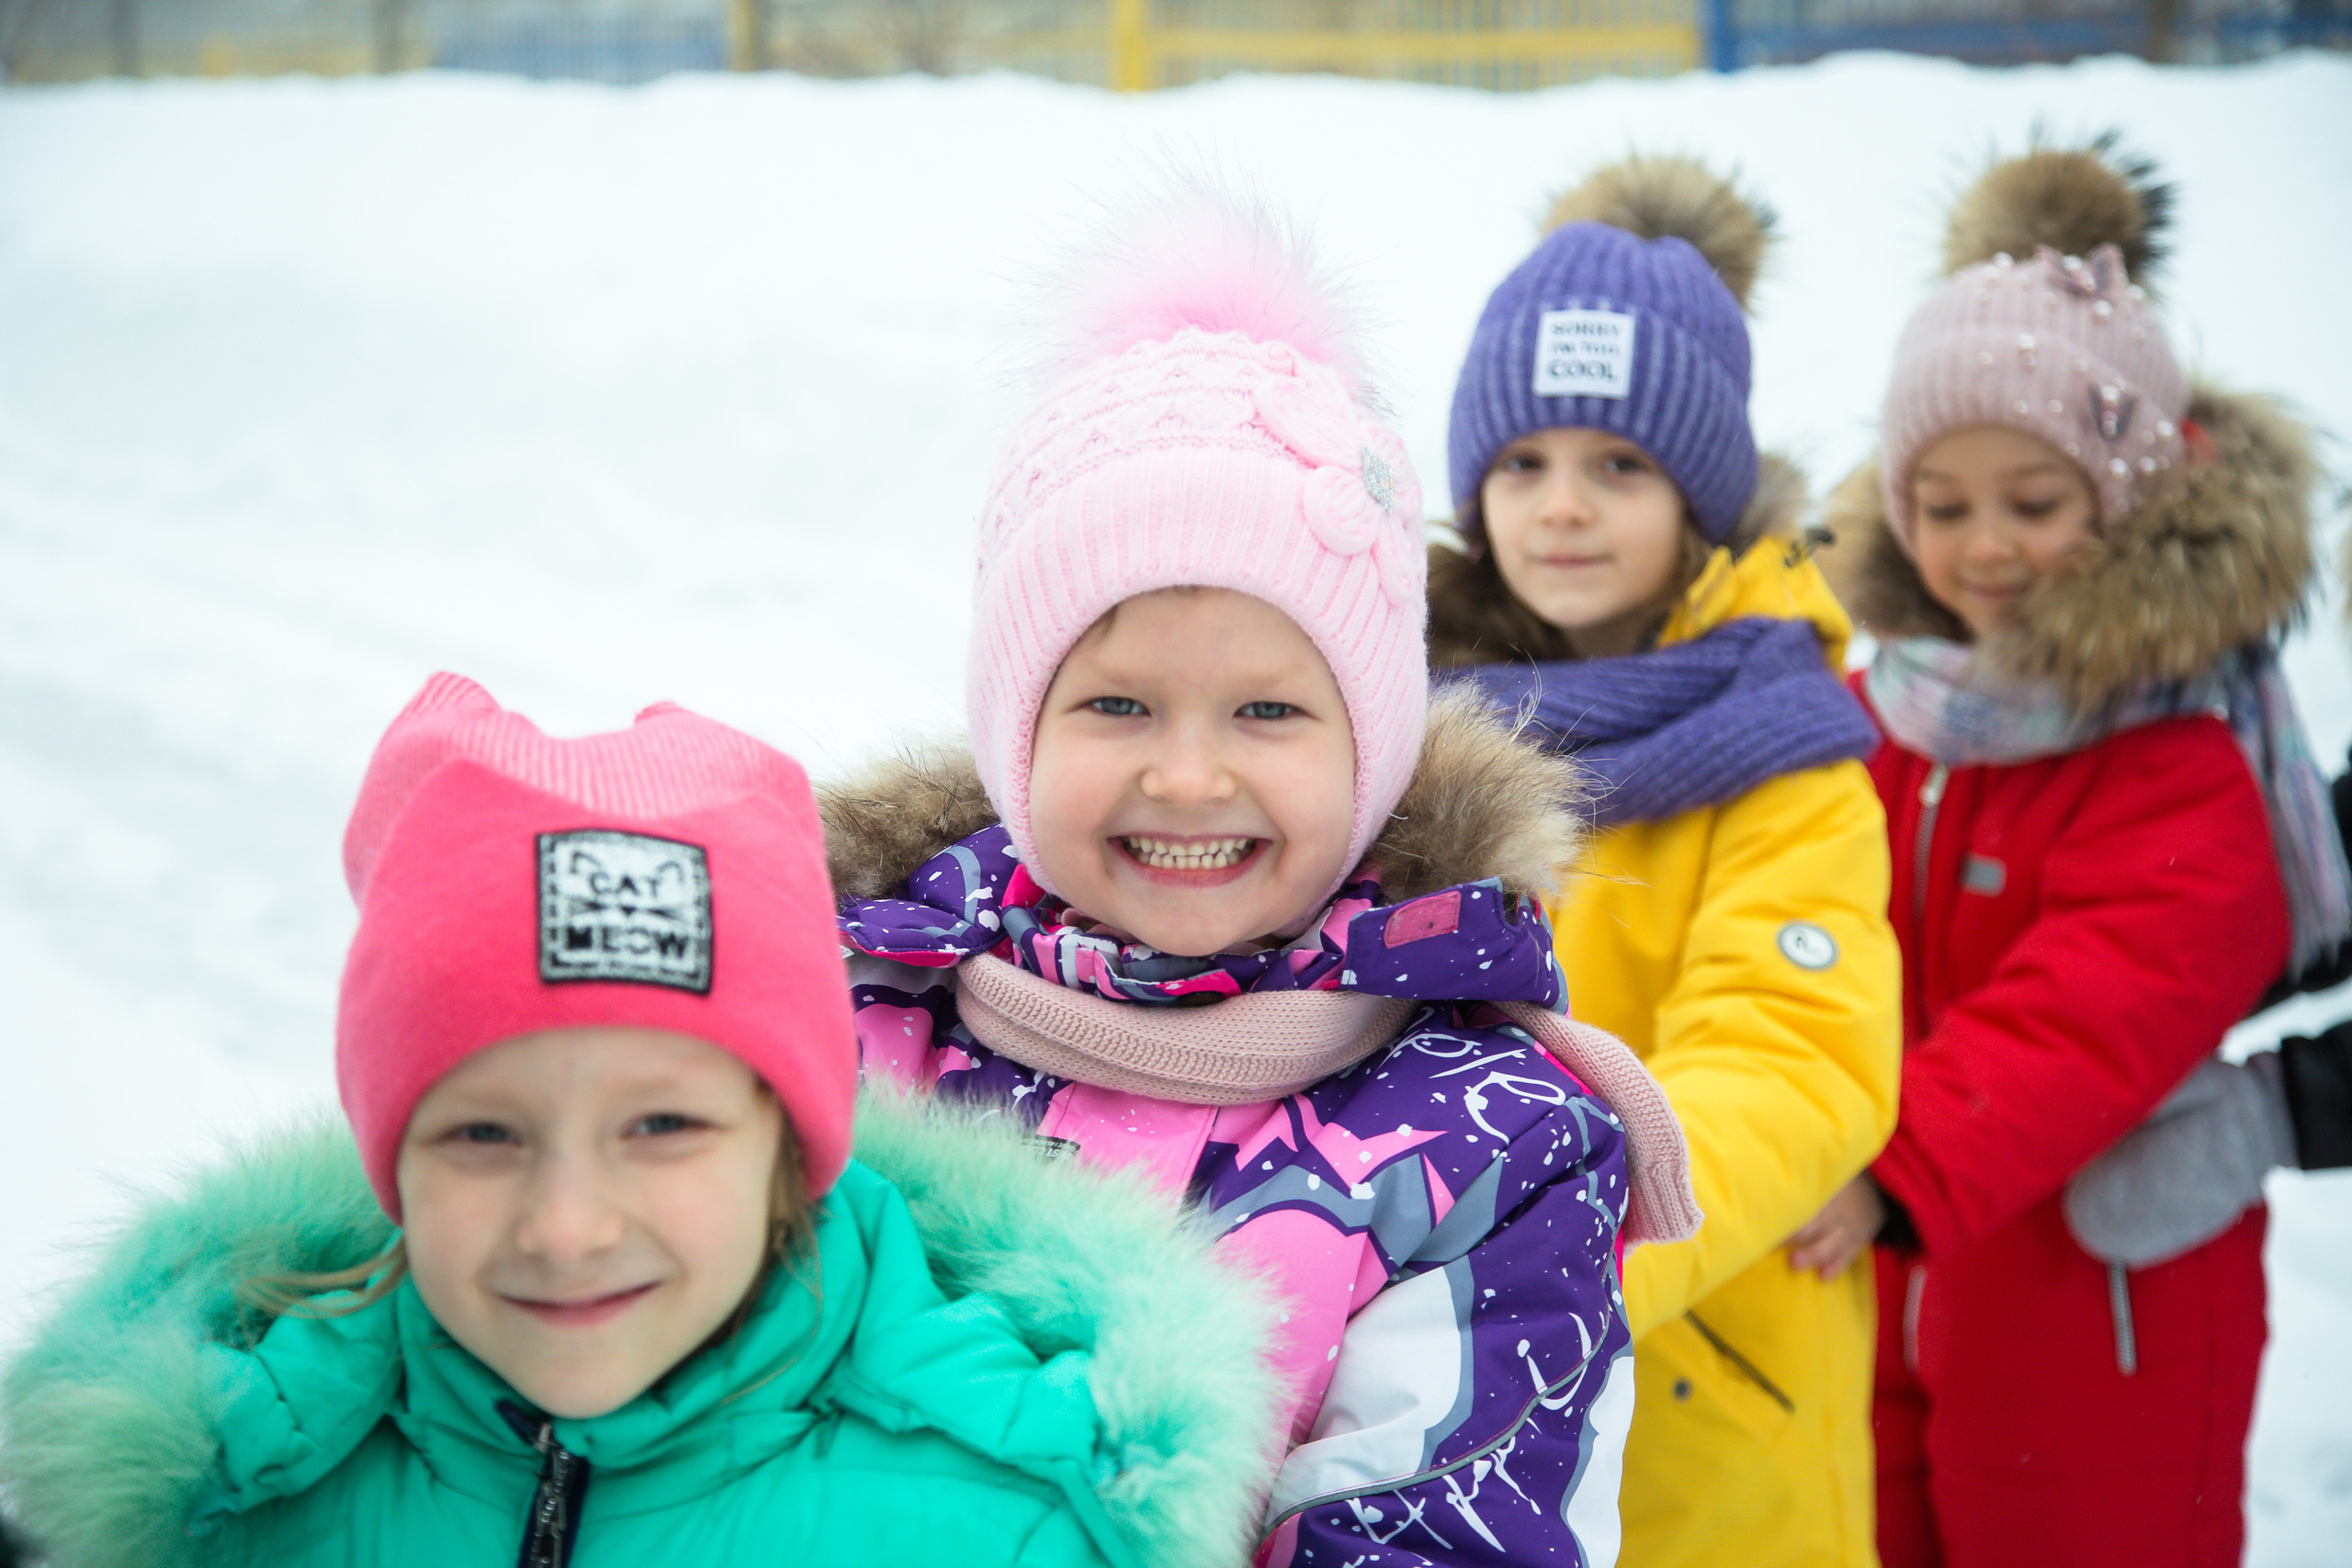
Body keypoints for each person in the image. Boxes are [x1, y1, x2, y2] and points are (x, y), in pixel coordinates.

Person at [824, 186, 1699, 1568]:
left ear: (1374, 744)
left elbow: (1444, 1530)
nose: (1186, 776)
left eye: (1267, 712)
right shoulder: (851, 1024)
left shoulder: (1492, 1143)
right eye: (1115, 706)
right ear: (1014, 735)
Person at [0, 673, 1283, 1568]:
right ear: (387, 1161)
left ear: (795, 1150)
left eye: (662, 1128)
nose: (566, 1228)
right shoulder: (229, 1502)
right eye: (483, 1135)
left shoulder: (1019, 1524)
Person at [1805, 137, 2350, 1568]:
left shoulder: (2174, 753)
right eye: (1941, 502)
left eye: (2032, 504)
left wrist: (1894, 1163)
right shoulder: (1884, 716)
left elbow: (2094, 1007)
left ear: (2124, 501)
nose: (1981, 547)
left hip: (2102, 1315)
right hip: (1887, 1281)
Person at [1428, 154, 1904, 1568]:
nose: (1561, 507)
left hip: (1701, 1372)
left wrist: (1573, 1254)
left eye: (1617, 465)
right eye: (1523, 463)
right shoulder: (1409, 715)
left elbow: (1789, 1050)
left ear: (1698, 491)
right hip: (1439, 1375)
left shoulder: (1788, 744)